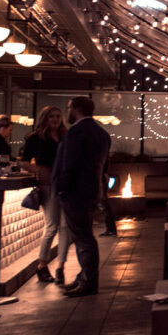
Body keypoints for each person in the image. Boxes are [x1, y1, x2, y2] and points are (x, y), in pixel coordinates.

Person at [51, 97, 111, 298]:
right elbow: (104, 164)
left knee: (83, 238)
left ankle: (88, 281)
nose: (67, 111)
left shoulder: (76, 132)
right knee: (83, 236)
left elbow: (70, 163)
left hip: (75, 192)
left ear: (76, 109)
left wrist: (62, 189)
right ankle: (83, 277)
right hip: (92, 190)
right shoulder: (101, 133)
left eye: (68, 108)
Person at [20, 107, 71, 285]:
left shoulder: (66, 136)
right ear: (45, 118)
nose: (55, 119)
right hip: (48, 185)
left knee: (66, 228)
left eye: (58, 116)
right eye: (52, 117)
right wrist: (39, 170)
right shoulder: (36, 138)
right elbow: (25, 161)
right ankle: (42, 265)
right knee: (52, 226)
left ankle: (61, 267)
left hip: (66, 185)